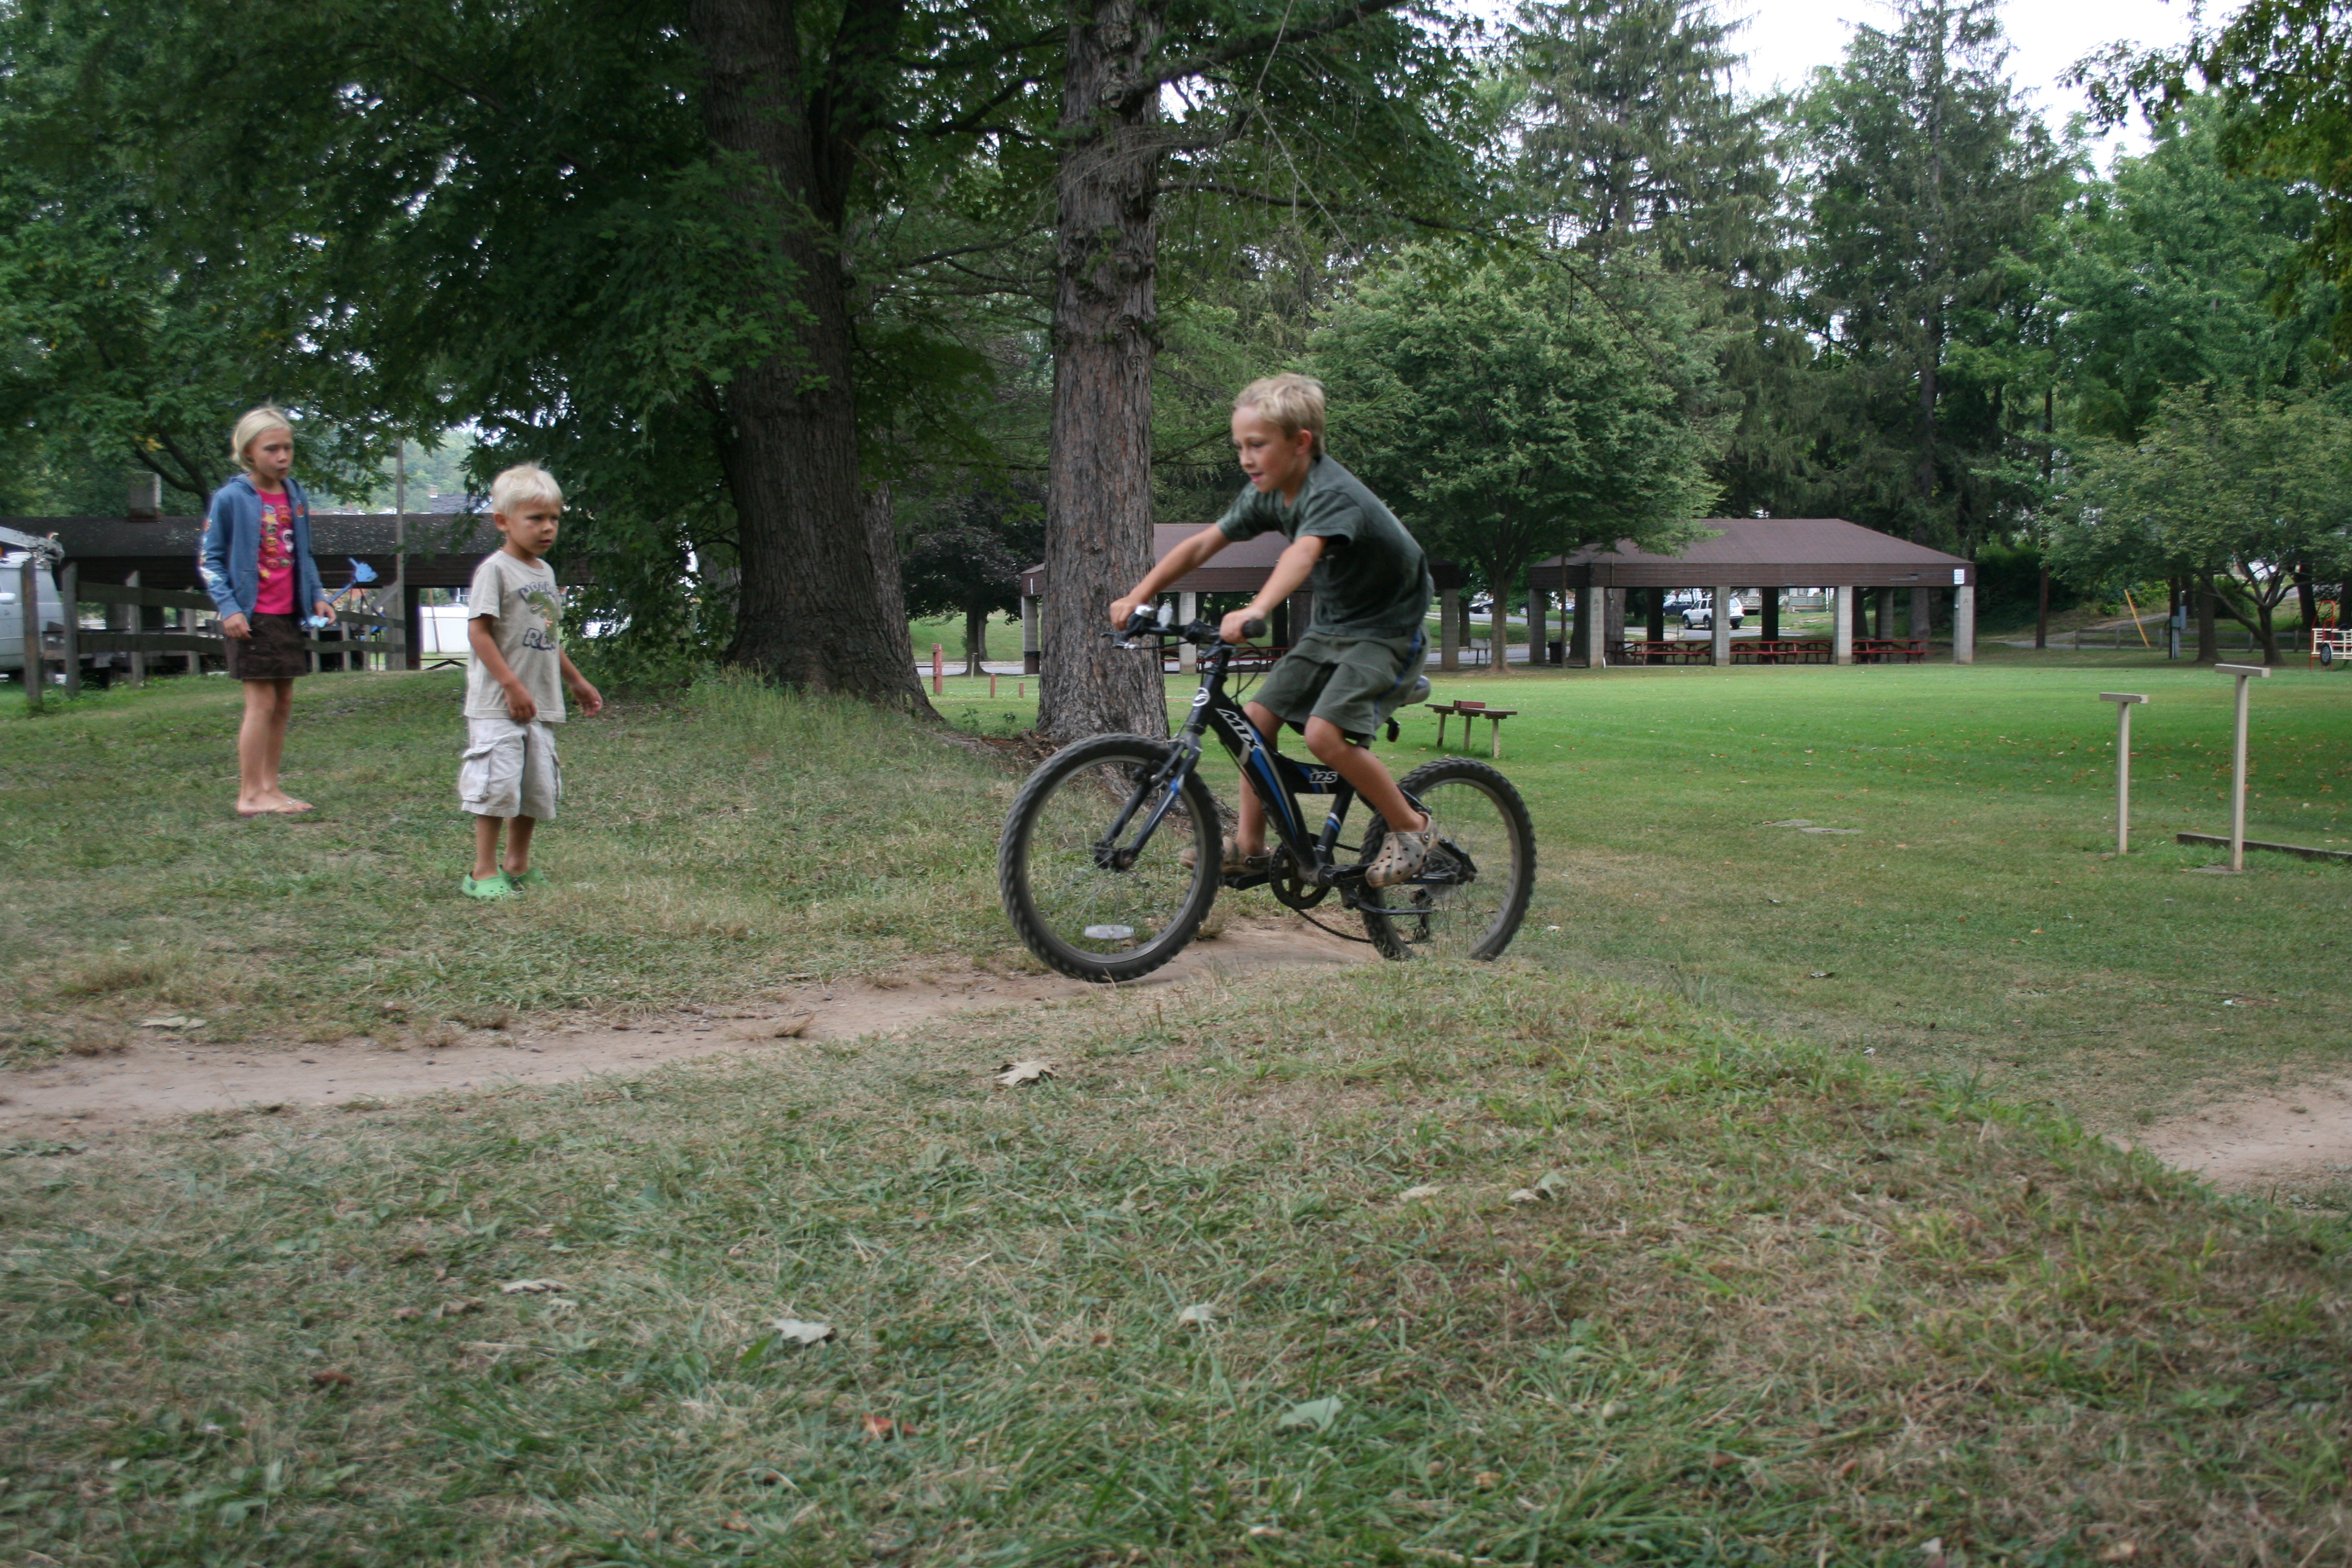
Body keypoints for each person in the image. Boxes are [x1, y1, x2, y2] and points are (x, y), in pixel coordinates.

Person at [1108, 373, 1435, 887]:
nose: (1245, 458)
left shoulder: (1331, 494)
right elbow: (1203, 544)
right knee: (1254, 720)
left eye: (1257, 445)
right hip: (1333, 626)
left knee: (1324, 735)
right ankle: (1251, 846)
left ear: (1300, 443)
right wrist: (1138, 594)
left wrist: (1256, 608)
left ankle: (1412, 828)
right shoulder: (1269, 492)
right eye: (1239, 446)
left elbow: (1302, 554)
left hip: (1387, 631)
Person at [458, 463, 602, 900]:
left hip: (539, 702)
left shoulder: (545, 573)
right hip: (498, 703)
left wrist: (576, 681)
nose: (548, 527)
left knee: (533, 787)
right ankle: (482, 871)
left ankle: (516, 865)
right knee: (497, 786)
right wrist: (510, 685)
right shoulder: (495, 570)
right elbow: (479, 633)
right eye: (536, 518)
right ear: (503, 521)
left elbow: (548, 637)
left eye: (554, 518)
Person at [199, 406, 336, 817]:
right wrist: (229, 609)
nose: (282, 456)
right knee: (260, 704)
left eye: (288, 448)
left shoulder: (295, 495)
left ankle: (270, 788)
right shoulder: (231, 498)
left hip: (287, 614)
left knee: (283, 702)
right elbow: (210, 560)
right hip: (250, 616)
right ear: (248, 452)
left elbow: (303, 554)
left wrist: (317, 595)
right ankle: (249, 794)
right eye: (272, 449)